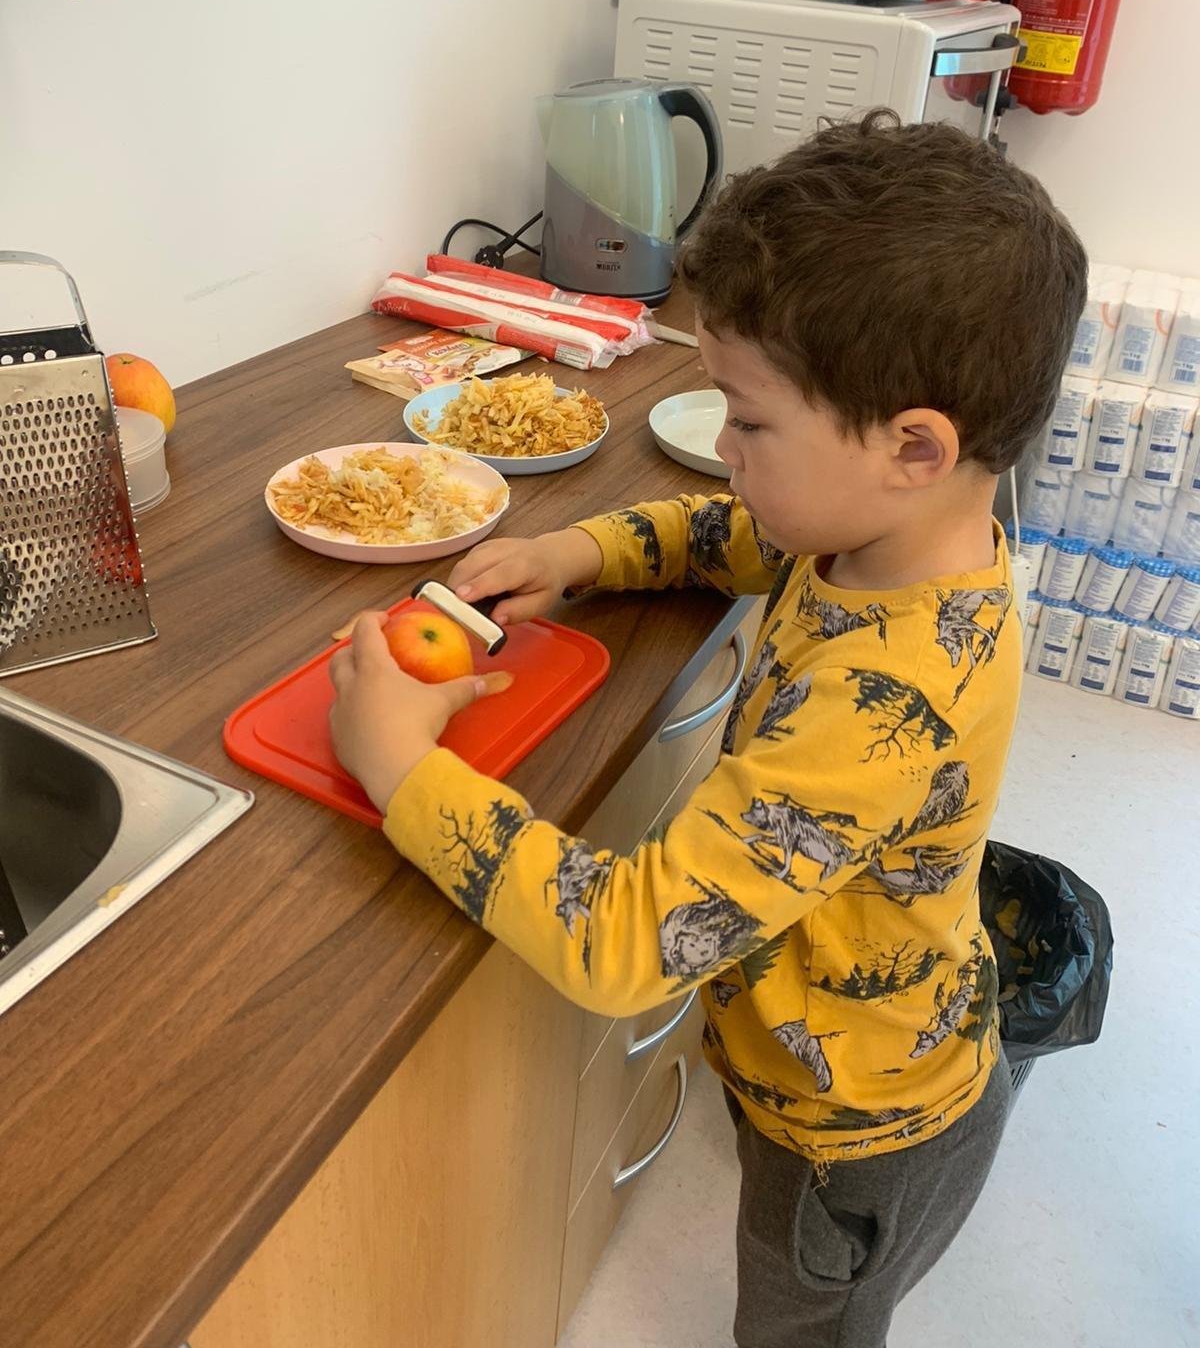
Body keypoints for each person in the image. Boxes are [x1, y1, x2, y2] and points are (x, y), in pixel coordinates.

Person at [329, 110, 1087, 1347]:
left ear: (913, 446)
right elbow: (735, 535)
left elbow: (627, 940)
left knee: (801, 1324)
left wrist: (401, 765)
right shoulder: (890, 537)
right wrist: (584, 551)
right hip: (826, 1050)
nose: (722, 452)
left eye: (749, 422)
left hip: (853, 1139)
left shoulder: (882, 710)